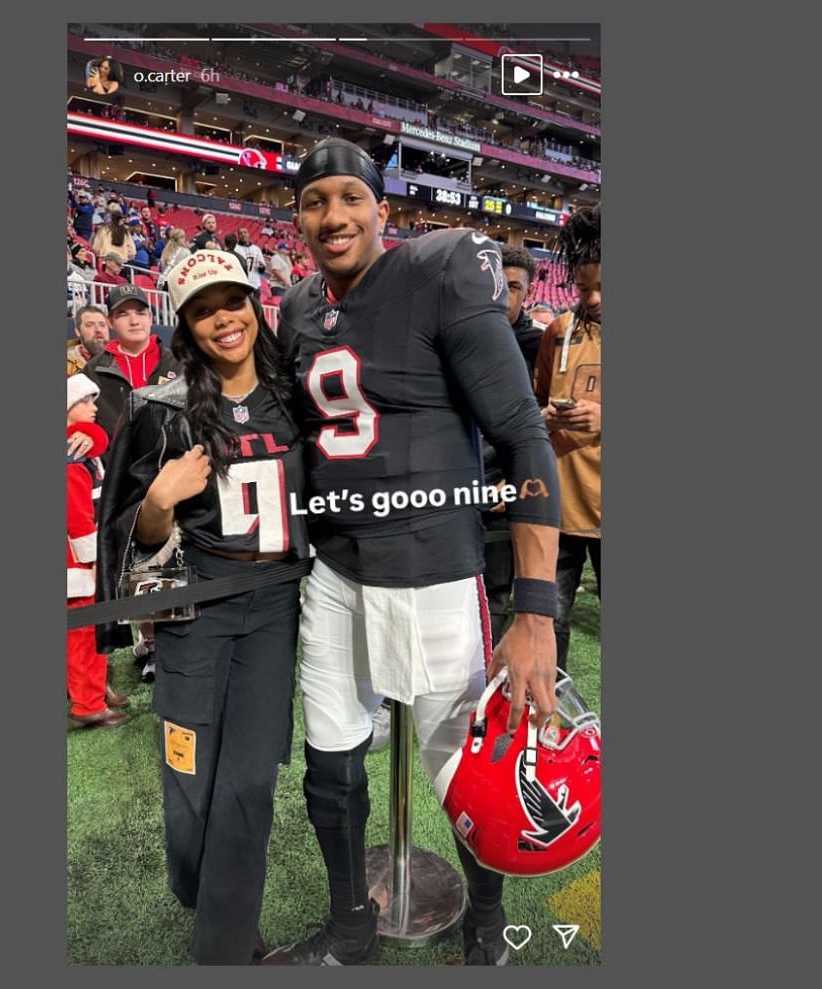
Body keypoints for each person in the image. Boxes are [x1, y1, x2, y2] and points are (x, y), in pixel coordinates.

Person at [263, 138, 563, 967]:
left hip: (431, 566)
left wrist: (535, 607)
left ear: (381, 210)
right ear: (297, 217)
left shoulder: (440, 268)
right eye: (316, 201)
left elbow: (523, 437)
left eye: (351, 199)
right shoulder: (293, 308)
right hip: (335, 567)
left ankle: (489, 929)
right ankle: (352, 929)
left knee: (465, 771)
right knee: (330, 758)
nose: (334, 216)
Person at [98, 250, 311, 965]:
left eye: (235, 300)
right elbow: (134, 529)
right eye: (204, 306)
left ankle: (224, 945)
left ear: (256, 306)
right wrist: (159, 500)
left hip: (274, 608)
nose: (225, 317)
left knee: (248, 781)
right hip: (195, 614)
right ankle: (206, 892)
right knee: (189, 784)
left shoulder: (298, 401)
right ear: (185, 325)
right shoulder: (162, 409)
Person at [83, 283, 182, 673]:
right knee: (136, 561)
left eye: (139, 311)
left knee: (175, 554)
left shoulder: (177, 359)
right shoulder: (96, 370)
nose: (135, 318)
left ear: (151, 316)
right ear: (111, 323)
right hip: (122, 477)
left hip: (173, 469)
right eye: (124, 313)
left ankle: (174, 636)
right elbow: (79, 418)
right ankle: (153, 641)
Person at [533, 207, 602, 670]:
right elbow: (534, 404)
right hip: (561, 513)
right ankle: (551, 728)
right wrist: (545, 418)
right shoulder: (559, 331)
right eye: (582, 287)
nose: (592, 298)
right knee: (549, 624)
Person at [480, 245, 546, 641]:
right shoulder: (456, 335)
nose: (504, 293)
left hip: (507, 486)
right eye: (497, 284)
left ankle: (493, 694)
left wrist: (516, 478)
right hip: (458, 484)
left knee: (500, 593)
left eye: (515, 287)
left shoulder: (538, 346)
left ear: (528, 293)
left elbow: (540, 426)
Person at [67, 374, 130, 729]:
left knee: (89, 631)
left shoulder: (79, 444)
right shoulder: (70, 452)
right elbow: (76, 513)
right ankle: (87, 703)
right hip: (77, 559)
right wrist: (93, 556)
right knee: (84, 634)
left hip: (82, 554)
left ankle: (93, 690)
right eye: (85, 402)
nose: (94, 408)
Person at [66, 304, 109, 378]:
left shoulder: (122, 358)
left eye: (102, 325)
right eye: (90, 325)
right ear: (78, 331)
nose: (98, 329)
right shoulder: (68, 364)